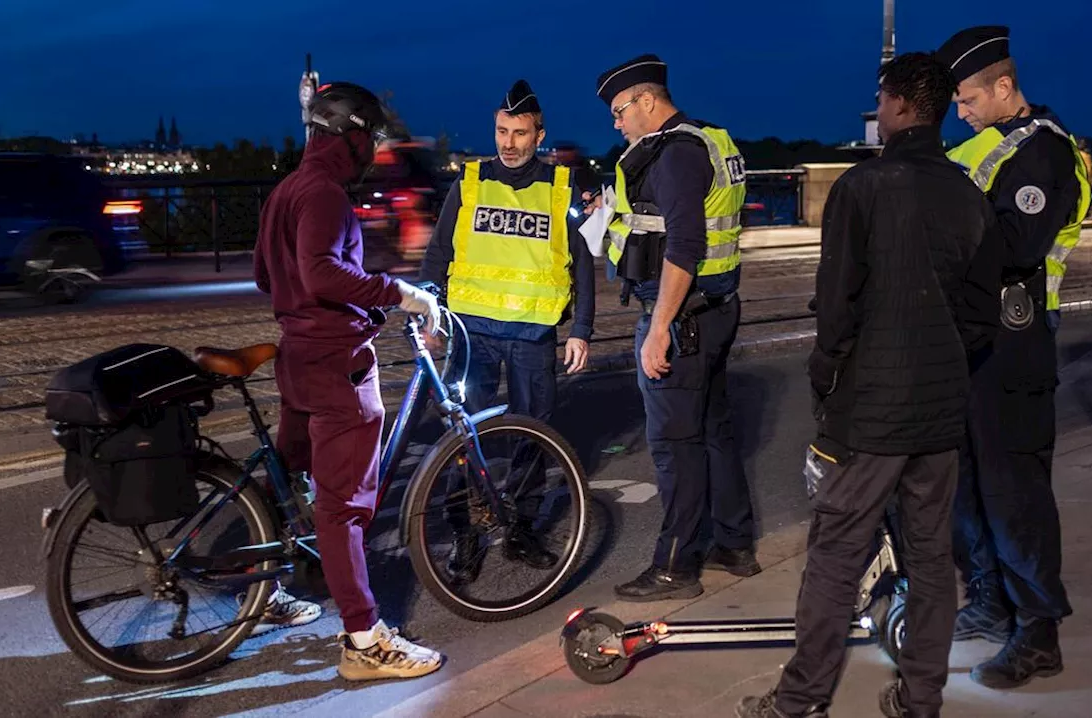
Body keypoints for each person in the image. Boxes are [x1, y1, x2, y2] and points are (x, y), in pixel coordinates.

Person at [735, 52, 1003, 718]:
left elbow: (837, 309)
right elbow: (981, 315)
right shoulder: (969, 195)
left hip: (871, 411)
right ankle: (920, 701)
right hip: (940, 410)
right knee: (932, 558)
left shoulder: (862, 189)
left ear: (903, 105)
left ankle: (798, 702)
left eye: (881, 100)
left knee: (835, 556)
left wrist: (827, 384)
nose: (878, 112)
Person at [253, 81, 444, 682]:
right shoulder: (327, 195)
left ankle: (256, 593)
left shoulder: (286, 189)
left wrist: (325, 306)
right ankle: (364, 638)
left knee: (287, 477)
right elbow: (322, 273)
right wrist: (400, 293)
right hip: (338, 367)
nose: (372, 150)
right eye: (369, 138)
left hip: (297, 359)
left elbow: (267, 275)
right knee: (343, 508)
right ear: (352, 135)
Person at [935, 25, 1092, 689]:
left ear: (1004, 86)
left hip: (1014, 346)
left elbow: (1014, 247)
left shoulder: (1041, 154)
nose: (960, 111)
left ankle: (1038, 632)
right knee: (970, 488)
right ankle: (992, 602)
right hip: (975, 347)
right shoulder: (990, 148)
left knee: (1014, 494)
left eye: (968, 98)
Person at [593, 54, 759, 601]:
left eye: (620, 111)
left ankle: (675, 566)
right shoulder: (706, 139)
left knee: (674, 444)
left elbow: (684, 246)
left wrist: (659, 326)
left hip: (683, 317)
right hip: (714, 310)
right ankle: (733, 545)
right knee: (714, 430)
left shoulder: (676, 156)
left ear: (647, 100)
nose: (616, 123)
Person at [419, 79, 596, 582]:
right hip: (471, 334)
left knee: (532, 437)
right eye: (502, 131)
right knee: (461, 441)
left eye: (520, 133)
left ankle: (519, 529)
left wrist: (581, 328)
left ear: (539, 134)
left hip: (532, 337)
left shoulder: (561, 188)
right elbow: (438, 254)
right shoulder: (469, 182)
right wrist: (432, 315)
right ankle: (466, 535)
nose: (509, 143)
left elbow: (581, 263)